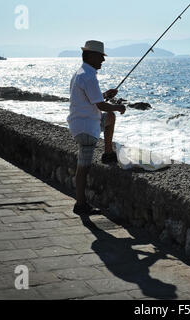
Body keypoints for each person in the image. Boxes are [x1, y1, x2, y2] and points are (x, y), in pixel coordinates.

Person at [67, 40, 126, 215]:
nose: (103, 60)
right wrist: (118, 106)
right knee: (83, 168)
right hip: (86, 128)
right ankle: (80, 204)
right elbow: (100, 105)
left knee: (110, 118)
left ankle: (108, 153)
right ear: (91, 56)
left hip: (81, 123)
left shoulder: (81, 73)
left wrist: (106, 94)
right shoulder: (89, 76)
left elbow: (93, 99)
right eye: (100, 56)